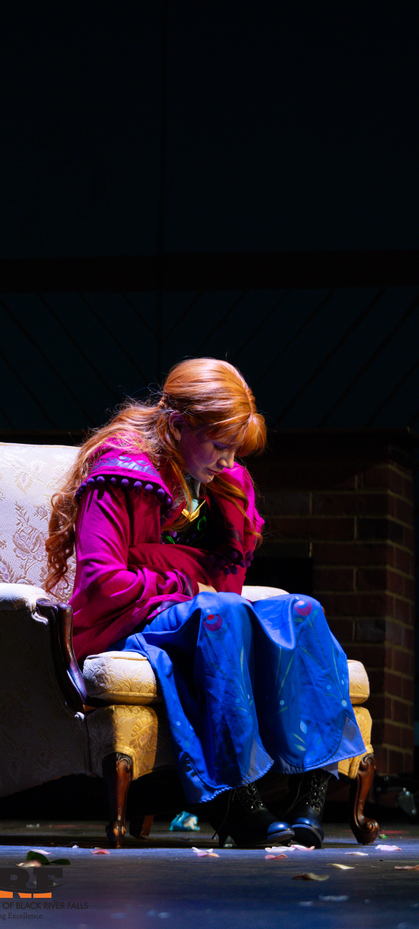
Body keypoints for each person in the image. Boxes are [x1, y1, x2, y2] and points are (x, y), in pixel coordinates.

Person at [46, 358, 365, 848]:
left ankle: (310, 790)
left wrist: (165, 564)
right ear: (177, 426)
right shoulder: (121, 472)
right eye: (219, 445)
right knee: (221, 612)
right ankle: (235, 796)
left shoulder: (223, 484)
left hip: (194, 613)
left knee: (302, 610)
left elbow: (229, 580)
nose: (227, 460)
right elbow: (103, 579)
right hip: (124, 620)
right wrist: (185, 574)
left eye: (234, 449)